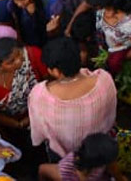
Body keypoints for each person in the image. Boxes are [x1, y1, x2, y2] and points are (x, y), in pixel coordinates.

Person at [28, 37, 117, 171]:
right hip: (100, 148)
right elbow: (111, 115)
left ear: (56, 71)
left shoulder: (40, 95)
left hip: (65, 155)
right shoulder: (104, 79)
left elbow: (39, 132)